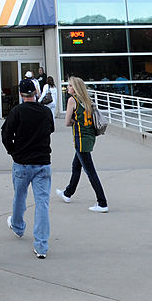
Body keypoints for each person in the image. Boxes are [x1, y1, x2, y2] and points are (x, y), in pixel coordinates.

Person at [1, 78, 55, 259]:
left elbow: (6, 134)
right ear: (35, 93)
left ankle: (18, 226)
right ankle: (41, 245)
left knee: (19, 196)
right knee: (42, 203)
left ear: (20, 94)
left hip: (22, 162)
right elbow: (50, 129)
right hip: (42, 162)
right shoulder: (45, 112)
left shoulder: (17, 111)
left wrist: (13, 151)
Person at [56, 76, 108, 213]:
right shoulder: (87, 100)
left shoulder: (72, 100)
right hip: (89, 137)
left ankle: (102, 203)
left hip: (81, 139)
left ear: (76, 88)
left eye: (70, 85)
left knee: (90, 172)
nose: (68, 87)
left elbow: (67, 122)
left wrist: (74, 121)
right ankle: (67, 193)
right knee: (76, 166)